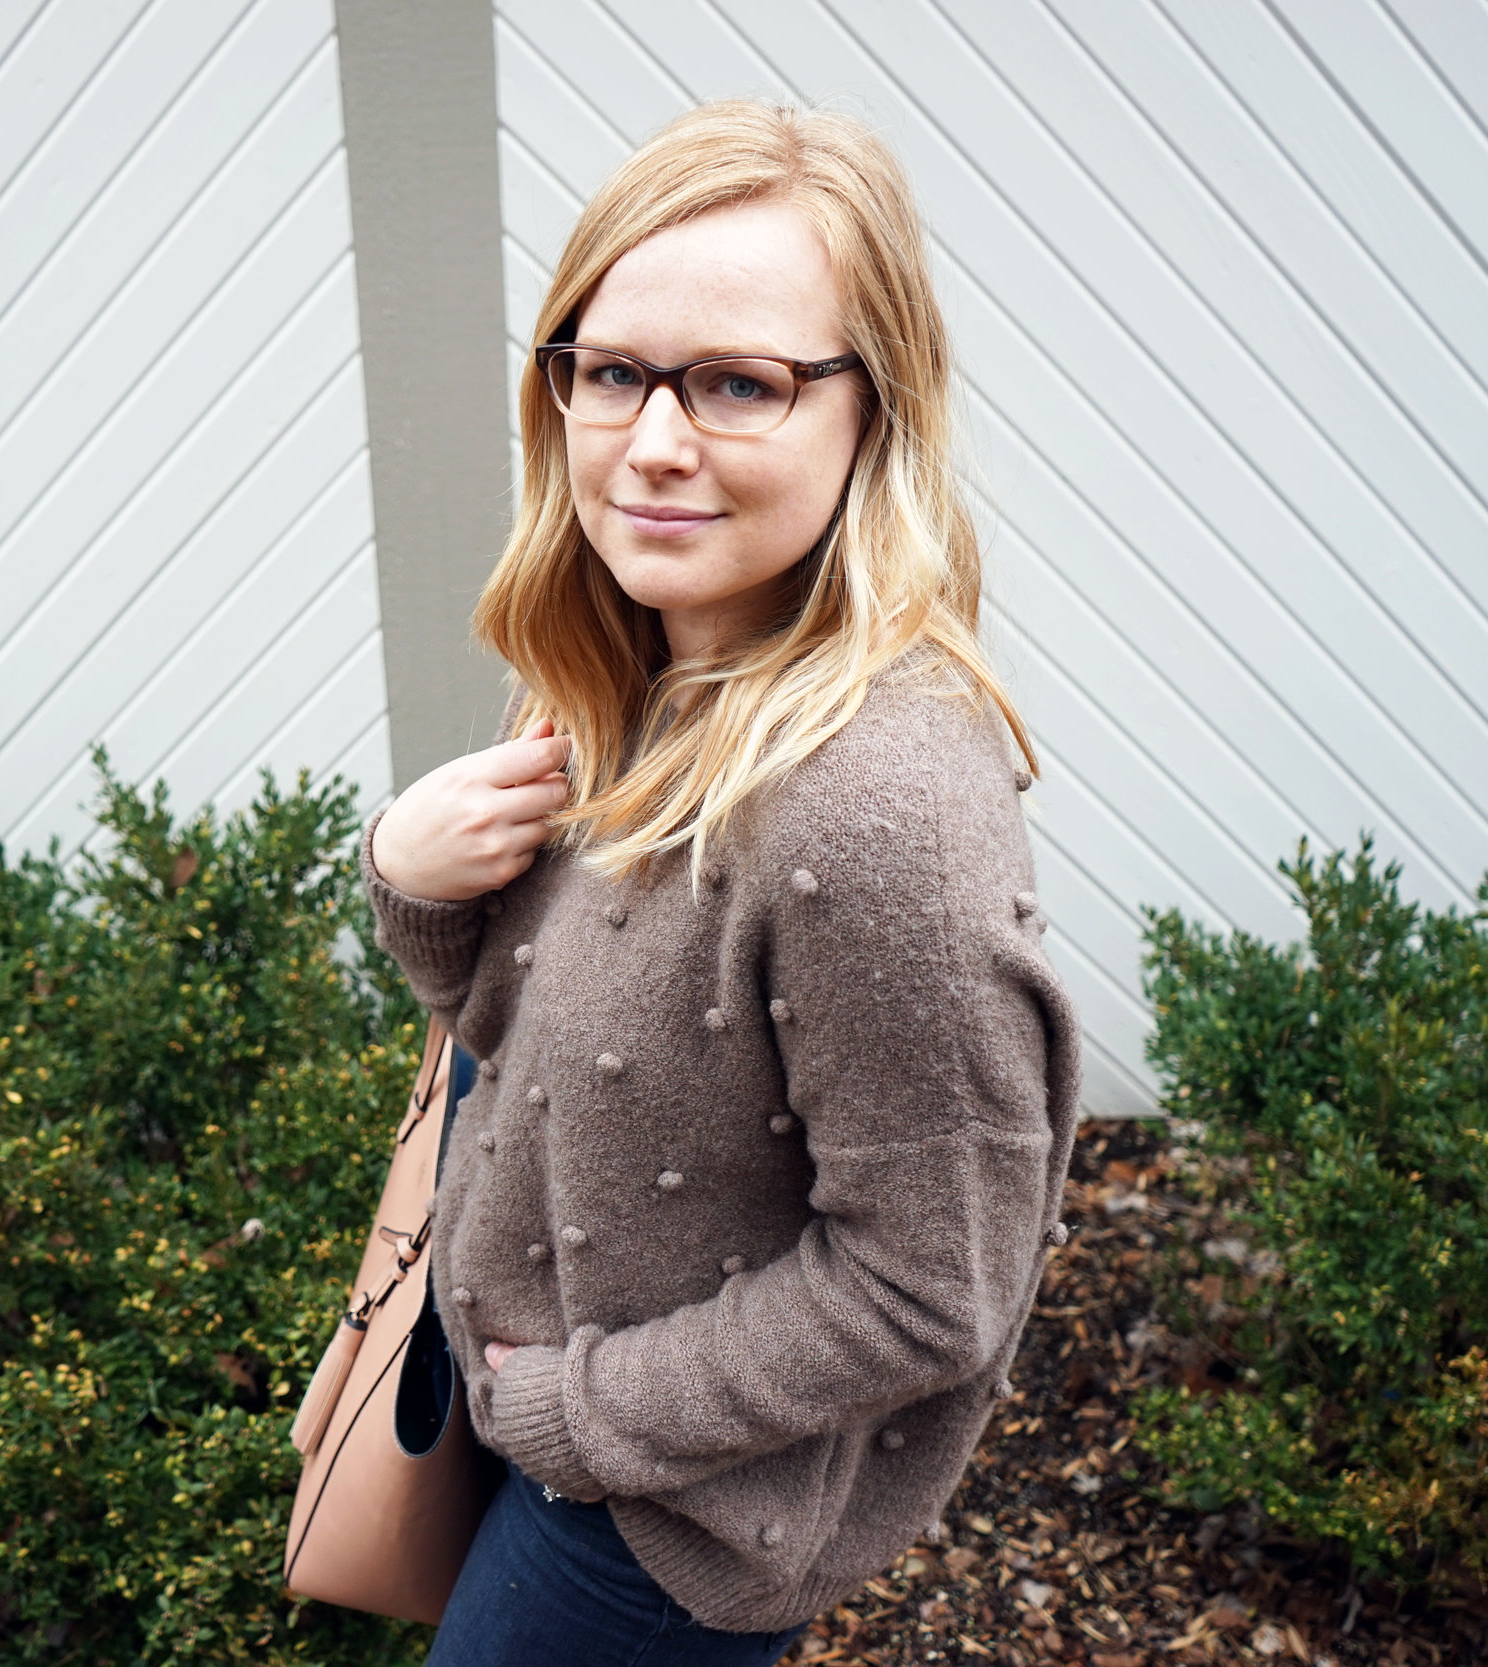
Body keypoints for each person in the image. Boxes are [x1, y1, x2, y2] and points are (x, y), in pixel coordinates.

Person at [362, 100, 1082, 1666]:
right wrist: (417, 887)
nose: (655, 441)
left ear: (873, 413)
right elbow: (548, 1046)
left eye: (741, 383)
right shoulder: (626, 668)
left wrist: (573, 1418)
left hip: (654, 1531)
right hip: (537, 1423)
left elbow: (930, 1289)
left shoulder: (875, 809)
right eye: (611, 371)